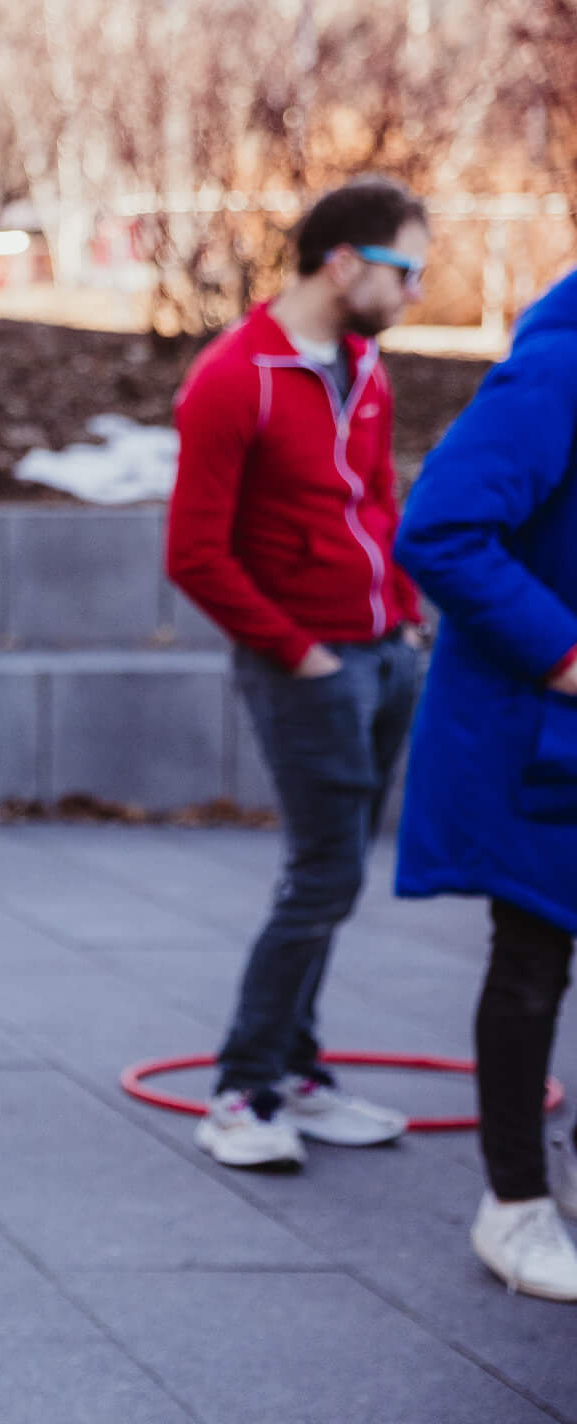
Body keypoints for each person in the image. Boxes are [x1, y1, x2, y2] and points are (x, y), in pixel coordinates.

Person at [165, 177, 432, 1171]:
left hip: (381, 652)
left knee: (337, 871)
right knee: (321, 874)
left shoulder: (362, 365)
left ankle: (298, 1070)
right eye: (406, 269)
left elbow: (375, 504)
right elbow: (193, 553)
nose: (415, 292)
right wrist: (303, 653)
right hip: (306, 665)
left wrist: (401, 622)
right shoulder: (235, 377)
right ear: (345, 262)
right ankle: (241, 1088)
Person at [392, 268, 577, 1300]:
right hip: (538, 735)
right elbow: (441, 529)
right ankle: (511, 1209)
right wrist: (563, 651)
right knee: (530, 964)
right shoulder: (557, 369)